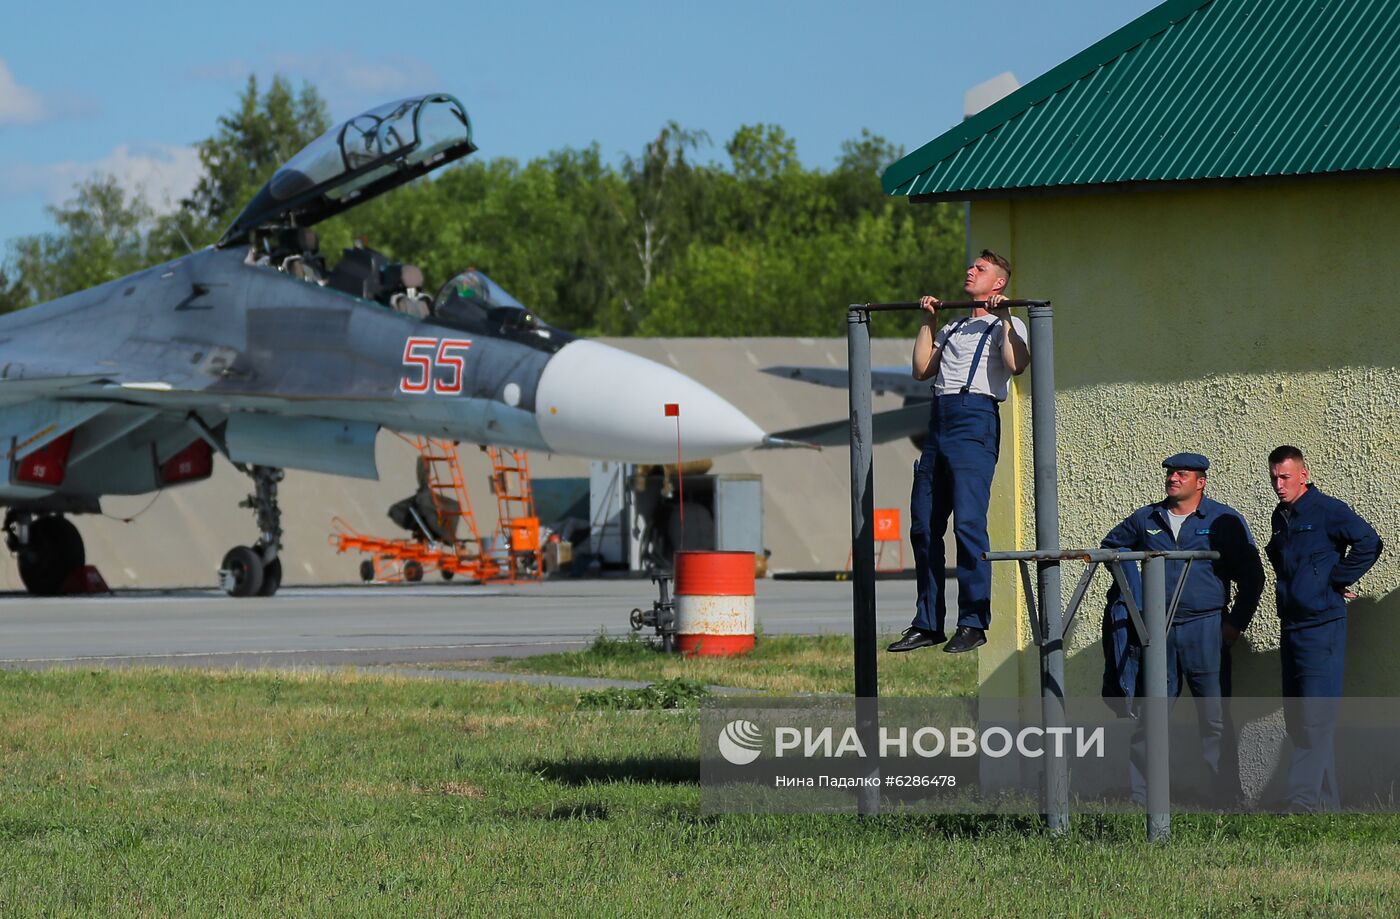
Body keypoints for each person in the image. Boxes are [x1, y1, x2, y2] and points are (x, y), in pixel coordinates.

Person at [1100, 452, 1265, 806]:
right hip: (1157, 632)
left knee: (1215, 718)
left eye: (1182, 474)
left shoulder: (1222, 520)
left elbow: (1252, 576)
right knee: (1151, 716)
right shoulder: (1148, 519)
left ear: (1200, 482)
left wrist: (1235, 623)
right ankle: (1144, 799)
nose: (1173, 478)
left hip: (1205, 627)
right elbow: (1112, 548)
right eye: (1171, 473)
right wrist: (1136, 597)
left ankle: (1225, 799)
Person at [887, 250, 1029, 655]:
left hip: (975, 419)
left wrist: (1002, 319)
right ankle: (928, 623)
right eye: (971, 267)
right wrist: (928, 321)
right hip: (940, 419)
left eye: (980, 270)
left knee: (968, 524)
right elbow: (921, 369)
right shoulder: (952, 327)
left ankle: (973, 620)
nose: (970, 271)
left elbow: (1017, 364)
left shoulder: (1008, 322)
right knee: (923, 526)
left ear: (998, 283)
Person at [1265, 445, 1382, 810]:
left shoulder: (1328, 510)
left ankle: (1300, 804)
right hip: (1292, 627)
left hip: (1322, 628)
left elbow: (1369, 542)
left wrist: (1335, 580)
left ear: (1304, 474)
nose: (1279, 485)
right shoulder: (1280, 515)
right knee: (1300, 718)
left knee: (1315, 718)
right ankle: (1325, 805)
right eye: (1274, 478)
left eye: (1285, 477)